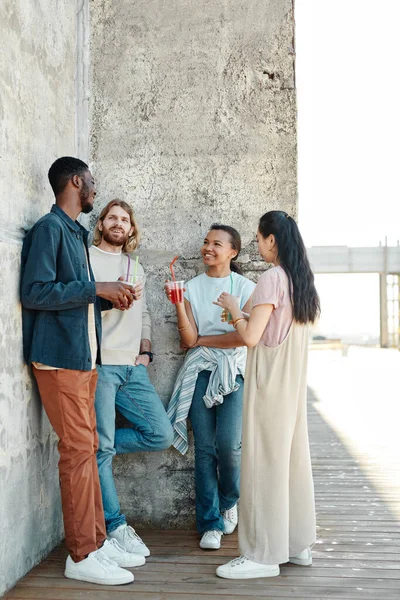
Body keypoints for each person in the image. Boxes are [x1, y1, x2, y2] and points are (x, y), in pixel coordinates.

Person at [20, 157, 144, 586]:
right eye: (92, 181)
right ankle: (81, 554)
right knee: (77, 452)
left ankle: (97, 540)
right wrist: (98, 288)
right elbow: (35, 291)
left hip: (82, 360)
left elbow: (75, 296)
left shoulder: (73, 232)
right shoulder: (49, 229)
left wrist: (109, 298)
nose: (95, 187)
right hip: (59, 361)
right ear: (77, 180)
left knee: (87, 449)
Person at [214, 210, 320, 579]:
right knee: (290, 464)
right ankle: (296, 544)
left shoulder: (272, 277)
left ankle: (261, 555)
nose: (257, 246)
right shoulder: (301, 280)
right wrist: (241, 315)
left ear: (271, 240)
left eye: (258, 239)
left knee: (261, 467)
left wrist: (231, 308)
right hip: (291, 388)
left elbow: (251, 337)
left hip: (269, 383)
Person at [89, 199, 174, 557]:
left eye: (125, 219)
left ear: (132, 228)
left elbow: (145, 315)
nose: (118, 223)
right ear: (102, 224)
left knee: (161, 434)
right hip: (101, 366)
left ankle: (94, 450)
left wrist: (146, 351)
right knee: (103, 448)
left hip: (132, 368)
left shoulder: (134, 265)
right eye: (112, 217)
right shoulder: (87, 258)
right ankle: (116, 525)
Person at [166, 225, 255, 550]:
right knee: (204, 450)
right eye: (205, 242)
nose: (208, 248)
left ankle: (229, 499)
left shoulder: (246, 288)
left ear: (233, 251)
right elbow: (188, 341)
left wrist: (204, 339)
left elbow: (244, 337)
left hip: (233, 371)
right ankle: (210, 523)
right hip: (200, 370)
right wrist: (178, 303)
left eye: (216, 244)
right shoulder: (190, 287)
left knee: (229, 446)